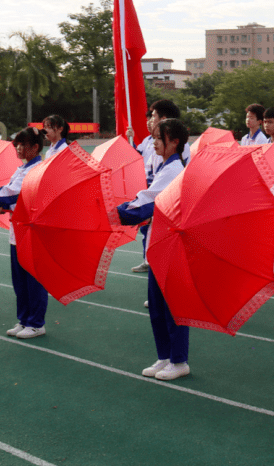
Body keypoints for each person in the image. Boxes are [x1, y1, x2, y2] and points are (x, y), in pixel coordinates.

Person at [118, 118, 191, 381]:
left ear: (175, 141)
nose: (154, 142)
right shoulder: (164, 167)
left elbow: (147, 203)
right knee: (158, 307)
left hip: (171, 248)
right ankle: (165, 356)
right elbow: (144, 199)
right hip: (159, 245)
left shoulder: (174, 171)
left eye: (159, 138)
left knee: (172, 307)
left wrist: (114, 213)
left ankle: (179, 359)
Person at [0, 128, 48, 339]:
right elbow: (10, 194)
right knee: (20, 279)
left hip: (33, 232)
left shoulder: (38, 168)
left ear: (35, 147)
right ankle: (24, 319)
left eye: (23, 145)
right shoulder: (21, 169)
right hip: (18, 231)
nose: (19, 148)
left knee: (34, 279)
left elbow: (11, 193)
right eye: (17, 144)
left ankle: (36, 323)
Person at [130, 100, 190, 273]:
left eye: (153, 116)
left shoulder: (177, 150)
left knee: (165, 247)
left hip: (166, 199)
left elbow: (180, 173)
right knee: (150, 237)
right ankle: (148, 263)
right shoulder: (153, 143)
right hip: (154, 193)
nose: (150, 120)